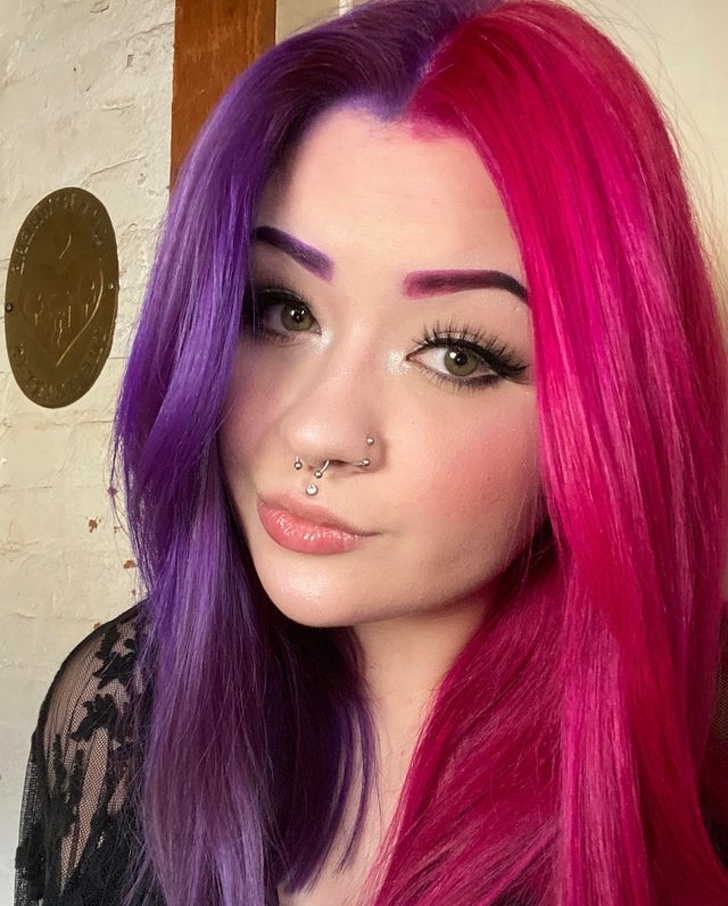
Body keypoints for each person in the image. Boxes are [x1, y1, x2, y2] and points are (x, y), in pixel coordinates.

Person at [14, 0, 728, 903]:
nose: (316, 432)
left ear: (608, 416)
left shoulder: (691, 797)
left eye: (456, 353)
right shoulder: (116, 710)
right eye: (283, 310)